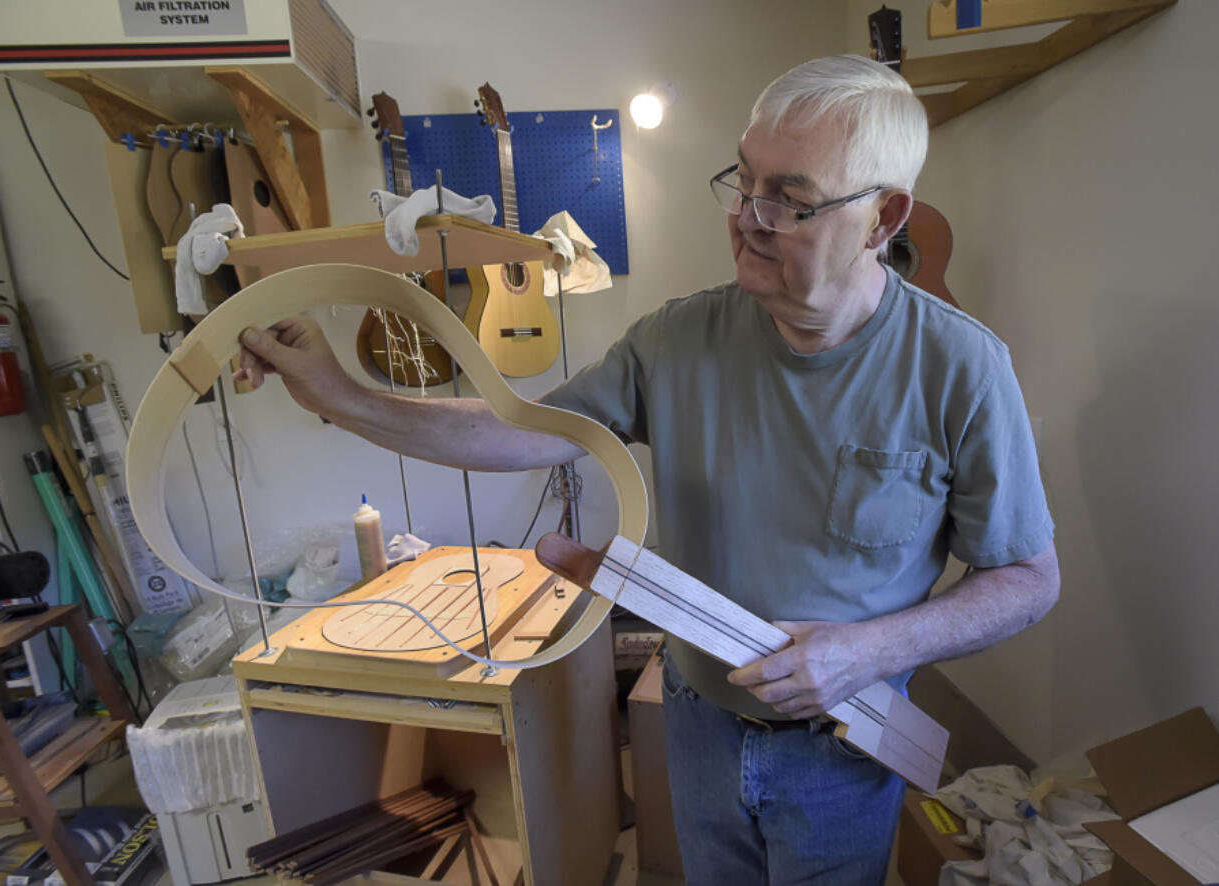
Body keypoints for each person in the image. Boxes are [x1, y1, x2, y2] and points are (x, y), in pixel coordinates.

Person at [235, 54, 1059, 886]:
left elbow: (1028, 577)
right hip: (699, 727)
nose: (749, 218)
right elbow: (525, 432)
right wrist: (339, 394)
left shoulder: (962, 369)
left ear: (883, 218)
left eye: (791, 200)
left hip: (844, 746)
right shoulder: (677, 340)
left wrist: (868, 650)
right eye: (743, 183)